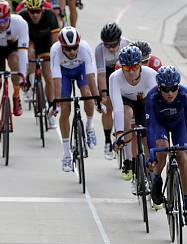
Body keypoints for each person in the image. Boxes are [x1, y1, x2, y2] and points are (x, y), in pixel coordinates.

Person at [146, 65, 187, 225]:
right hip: (160, 125)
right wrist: (152, 155)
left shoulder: (185, 95)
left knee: (182, 158)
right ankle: (156, 179)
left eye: (173, 88)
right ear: (159, 87)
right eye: (165, 89)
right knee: (162, 152)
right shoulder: (151, 97)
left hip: (180, 125)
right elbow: (150, 127)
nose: (170, 93)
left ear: (178, 86)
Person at [0, 0, 29, 149]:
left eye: (4, 20)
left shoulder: (20, 23)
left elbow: (23, 53)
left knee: (15, 62)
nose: (1, 24)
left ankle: (16, 96)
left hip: (12, 48)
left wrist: (23, 75)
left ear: (9, 16)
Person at [50, 27, 98, 171]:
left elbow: (91, 76)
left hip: (80, 70)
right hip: (63, 74)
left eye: (74, 48)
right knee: (65, 109)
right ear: (61, 46)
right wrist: (57, 104)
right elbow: (56, 80)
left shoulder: (84, 48)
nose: (71, 52)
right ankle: (66, 155)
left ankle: (90, 126)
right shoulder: (55, 50)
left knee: (87, 93)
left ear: (78, 44)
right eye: (67, 48)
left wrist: (97, 100)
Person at [109, 45, 158, 188]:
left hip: (145, 104)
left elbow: (155, 106)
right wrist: (119, 136)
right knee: (126, 115)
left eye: (134, 67)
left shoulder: (150, 75)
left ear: (140, 65)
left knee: (146, 138)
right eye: (127, 68)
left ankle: (153, 177)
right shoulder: (115, 78)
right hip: (127, 103)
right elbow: (117, 109)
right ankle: (132, 166)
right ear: (121, 67)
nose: (131, 72)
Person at [18, 0, 60, 128]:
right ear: (27, 10)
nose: (35, 15)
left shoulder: (50, 16)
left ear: (43, 9)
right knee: (28, 52)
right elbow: (19, 43)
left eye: (37, 11)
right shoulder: (22, 16)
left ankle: (50, 108)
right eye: (32, 11)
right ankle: (30, 81)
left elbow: (55, 43)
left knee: (48, 76)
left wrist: (54, 60)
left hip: (46, 43)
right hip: (30, 41)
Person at [94, 22, 131, 160]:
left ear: (120, 41)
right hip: (108, 75)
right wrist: (103, 95)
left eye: (114, 45)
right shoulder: (99, 50)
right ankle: (108, 141)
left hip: (124, 73)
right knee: (107, 108)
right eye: (107, 45)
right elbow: (102, 74)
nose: (111, 48)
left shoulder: (127, 45)